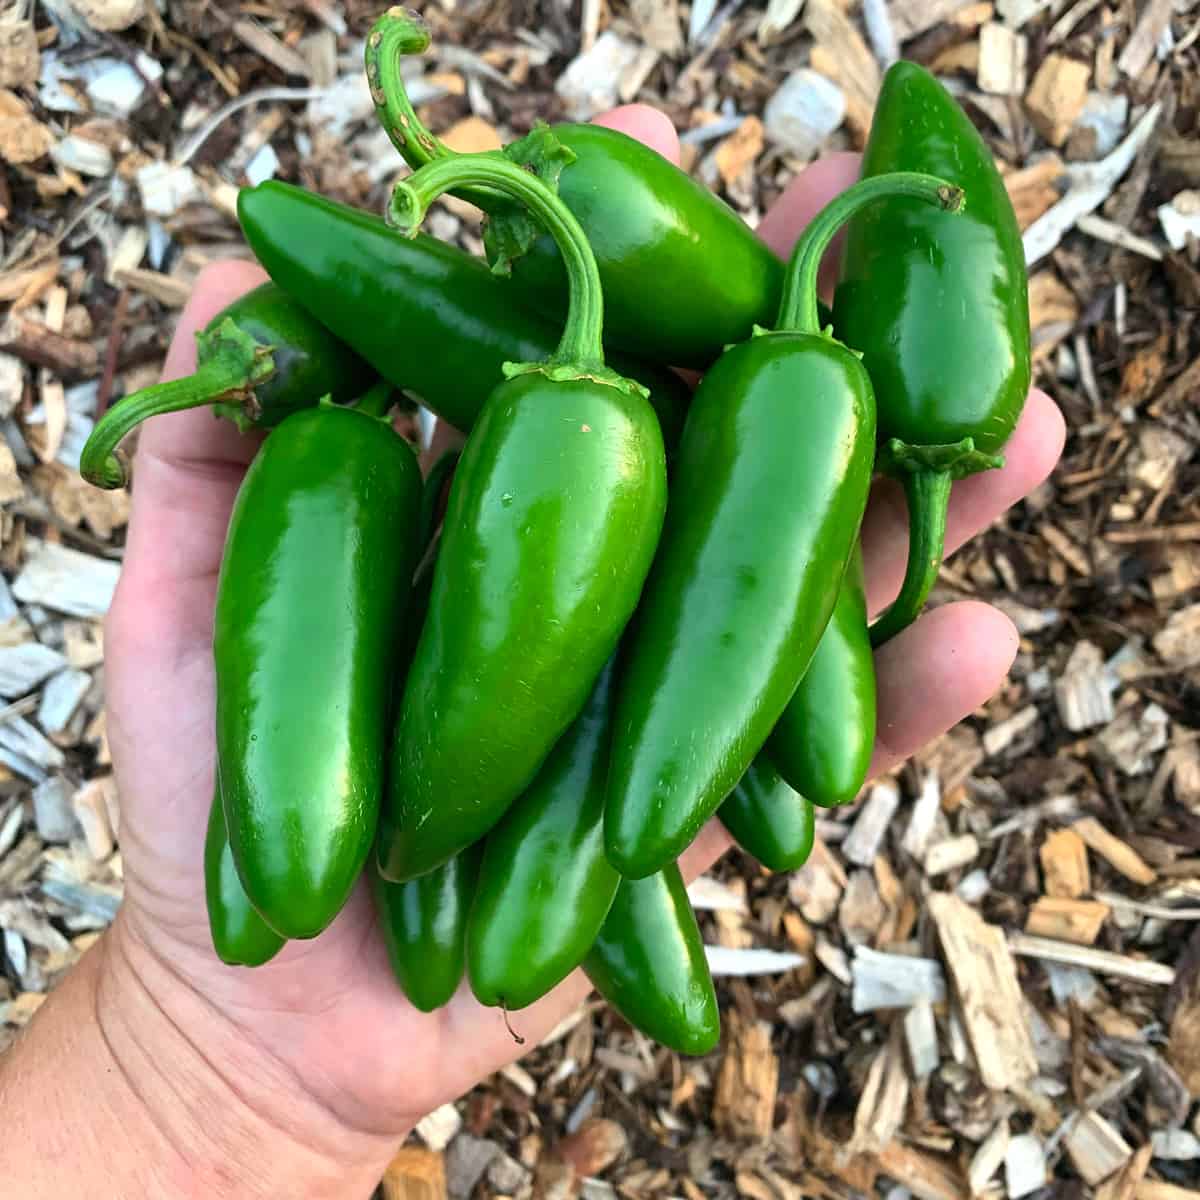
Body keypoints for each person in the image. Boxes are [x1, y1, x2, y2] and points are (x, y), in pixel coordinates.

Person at [0, 105, 1064, 1198]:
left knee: (618, 704)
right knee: (553, 686)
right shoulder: (423, 450)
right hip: (627, 424)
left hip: (663, 417)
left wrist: (183, 1068)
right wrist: (193, 1061)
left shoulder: (716, 410)